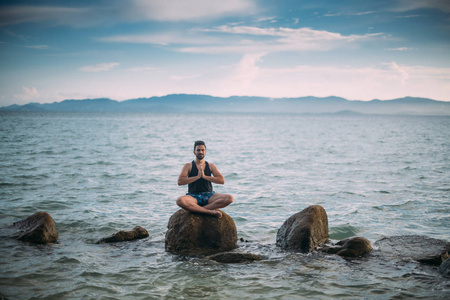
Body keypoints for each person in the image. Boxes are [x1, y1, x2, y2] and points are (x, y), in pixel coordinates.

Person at [176, 140, 233, 218]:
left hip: (209, 195)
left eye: (202, 150)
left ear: (205, 151)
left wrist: (205, 177)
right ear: (194, 152)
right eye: (198, 150)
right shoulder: (188, 166)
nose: (200, 152)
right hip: (193, 196)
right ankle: (209, 212)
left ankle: (198, 210)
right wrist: (197, 177)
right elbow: (180, 182)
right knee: (180, 200)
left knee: (229, 198)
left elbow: (221, 181)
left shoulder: (210, 166)